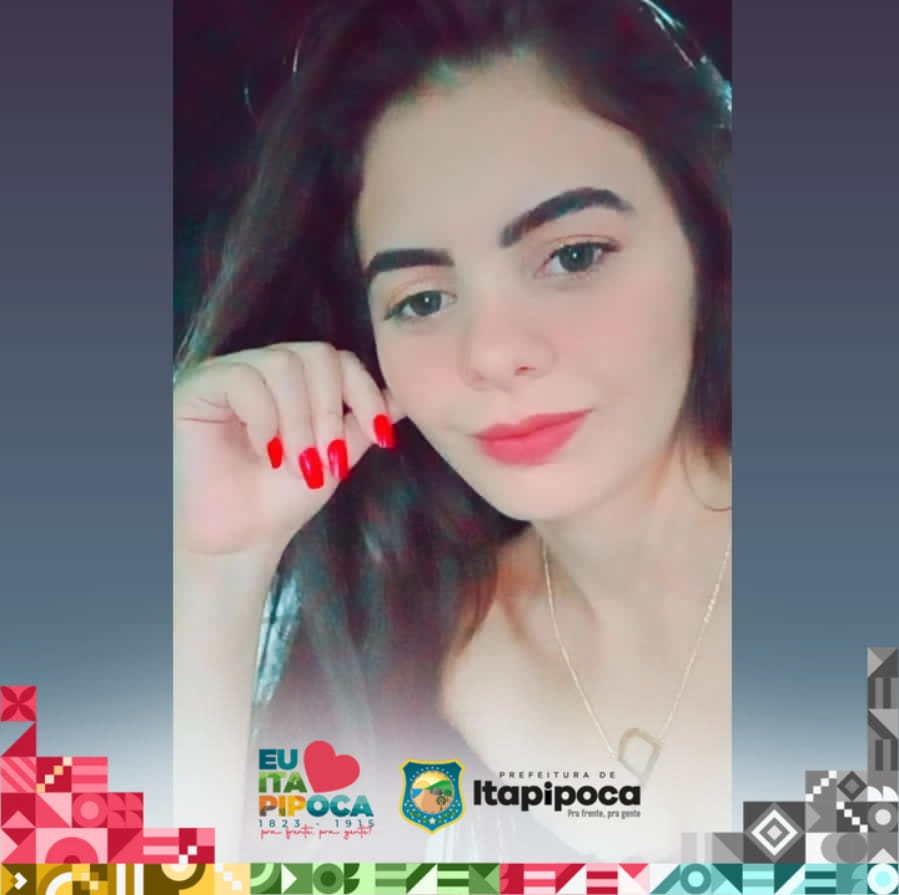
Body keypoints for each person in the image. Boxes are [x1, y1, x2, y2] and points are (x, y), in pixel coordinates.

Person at [173, 0, 732, 863]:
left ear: (706, 238)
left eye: (573, 255)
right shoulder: (377, 663)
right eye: (423, 299)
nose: (493, 352)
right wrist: (204, 569)